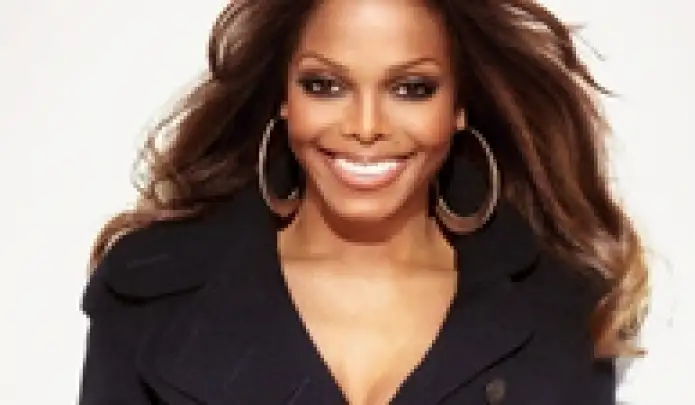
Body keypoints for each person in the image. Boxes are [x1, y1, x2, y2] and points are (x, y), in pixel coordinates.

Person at [78, 0, 649, 404]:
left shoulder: (559, 310)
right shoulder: (153, 293)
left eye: (412, 89)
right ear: (283, 97)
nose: (366, 126)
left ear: (459, 105)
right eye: (325, 85)